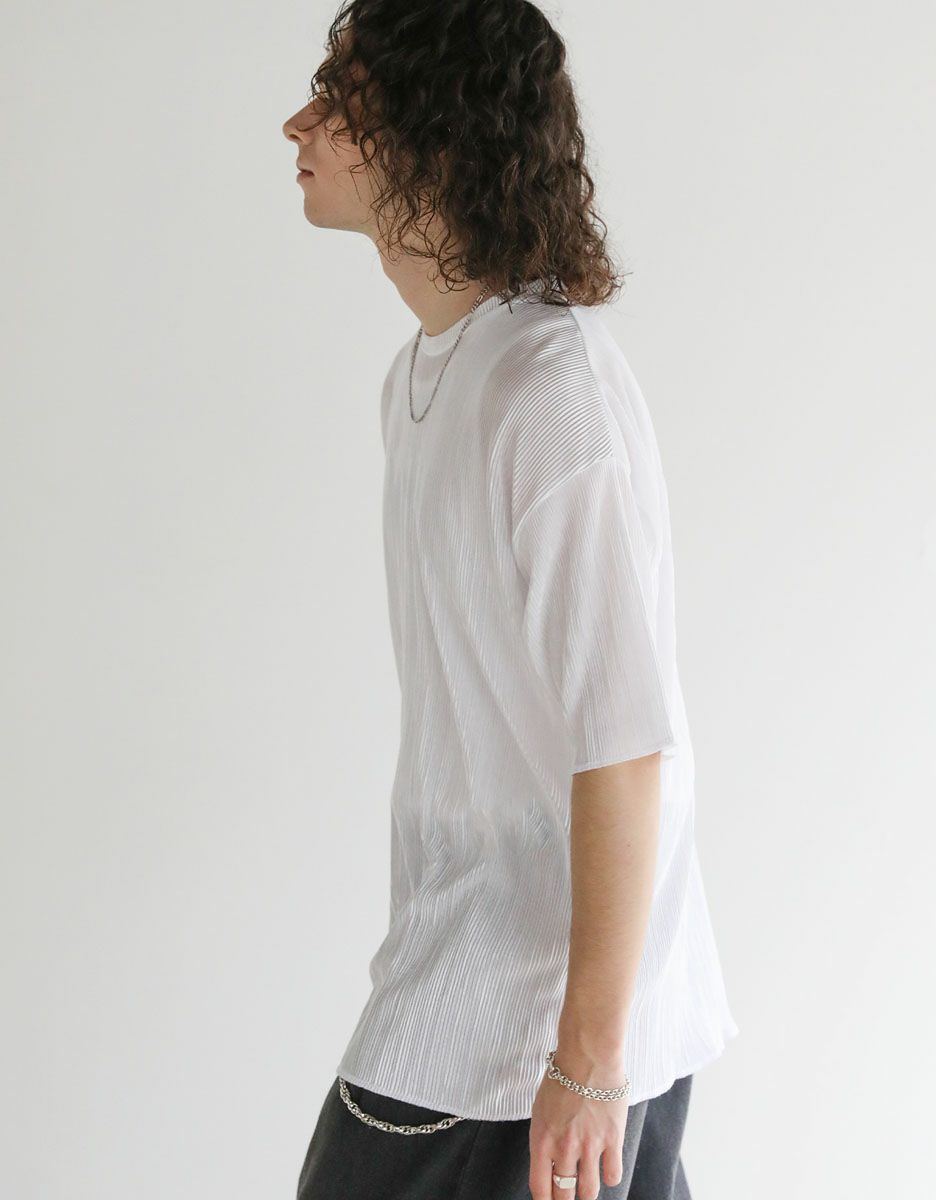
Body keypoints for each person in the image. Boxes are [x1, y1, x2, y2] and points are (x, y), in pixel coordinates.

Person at [282, 2, 738, 1197]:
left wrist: (588, 1062)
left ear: (435, 133)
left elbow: (624, 746)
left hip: (532, 1042)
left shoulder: (550, 393)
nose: (298, 124)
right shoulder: (429, 378)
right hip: (481, 997)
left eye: (340, 98)